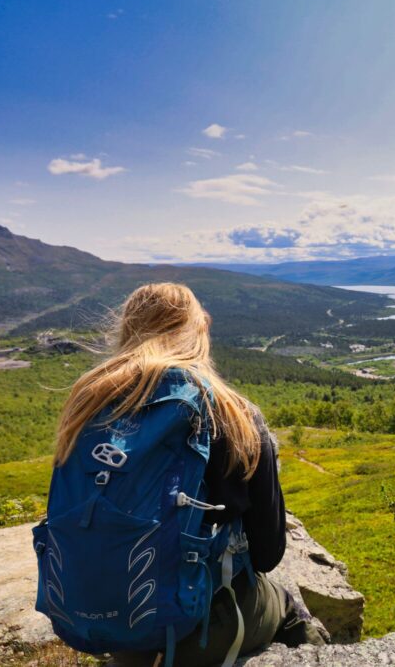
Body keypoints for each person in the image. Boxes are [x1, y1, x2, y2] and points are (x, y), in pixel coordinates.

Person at [50, 283, 325, 667]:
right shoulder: (235, 416)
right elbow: (267, 555)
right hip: (199, 626)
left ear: (127, 330)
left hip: (113, 626)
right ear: (199, 331)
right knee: (286, 603)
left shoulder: (86, 408)